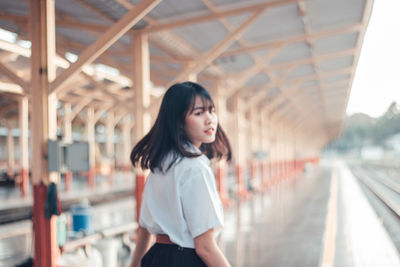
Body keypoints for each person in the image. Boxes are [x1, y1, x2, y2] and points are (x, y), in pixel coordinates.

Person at [129, 81, 232, 267]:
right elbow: (205, 247)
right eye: (199, 113)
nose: (209, 119)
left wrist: (134, 264)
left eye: (212, 110)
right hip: (186, 260)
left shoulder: (160, 165)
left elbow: (144, 229)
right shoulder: (195, 169)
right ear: (179, 122)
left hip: (156, 258)